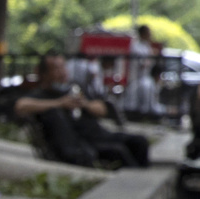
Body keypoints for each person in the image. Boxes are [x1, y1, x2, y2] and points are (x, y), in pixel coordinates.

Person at [13, 54, 150, 169]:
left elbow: (102, 109)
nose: (62, 72)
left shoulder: (75, 88)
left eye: (63, 67)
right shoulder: (41, 95)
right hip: (83, 144)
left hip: (101, 135)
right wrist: (60, 103)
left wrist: (84, 104)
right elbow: (21, 105)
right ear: (44, 74)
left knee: (139, 142)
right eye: (56, 69)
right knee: (118, 152)